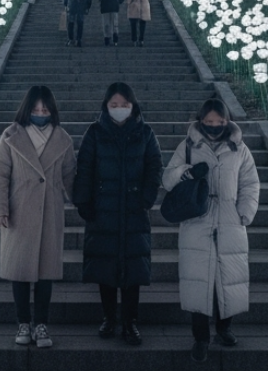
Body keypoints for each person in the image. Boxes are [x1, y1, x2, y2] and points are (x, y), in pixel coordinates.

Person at [162, 99, 260, 364]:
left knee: (229, 278)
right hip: (197, 219)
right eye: (209, 122)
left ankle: (225, 328)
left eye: (220, 122)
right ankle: (200, 337)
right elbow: (168, 177)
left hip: (230, 220)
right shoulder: (188, 146)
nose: (215, 126)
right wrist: (186, 172)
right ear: (201, 120)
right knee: (198, 281)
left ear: (227, 122)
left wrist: (244, 212)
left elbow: (250, 183)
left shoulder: (239, 149)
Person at [73, 82, 162, 346]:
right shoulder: (95, 132)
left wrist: (147, 197)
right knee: (105, 265)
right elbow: (84, 167)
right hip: (104, 209)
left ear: (132, 106)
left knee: (133, 267)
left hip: (134, 209)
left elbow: (154, 166)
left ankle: (130, 322)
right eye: (114, 105)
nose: (120, 109)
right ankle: (109, 317)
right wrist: (83, 201)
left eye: (124, 105)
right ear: (106, 106)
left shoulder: (145, 133)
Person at [0, 86, 77, 349]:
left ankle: (41, 324)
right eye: (36, 109)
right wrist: (0, 209)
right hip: (19, 210)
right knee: (19, 271)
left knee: (45, 272)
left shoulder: (63, 138)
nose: (41, 113)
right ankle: (23, 322)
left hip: (50, 210)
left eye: (45, 109)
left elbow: (70, 177)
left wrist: (84, 204)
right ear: (27, 109)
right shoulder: (10, 135)